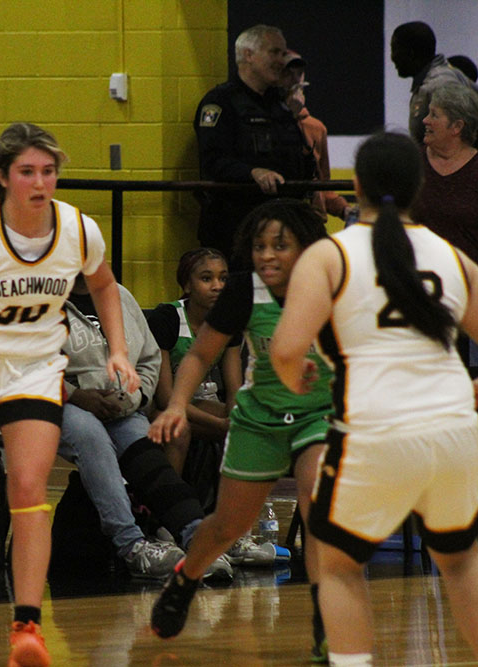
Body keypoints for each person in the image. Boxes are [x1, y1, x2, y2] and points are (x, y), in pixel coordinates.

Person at [270, 132, 478, 667]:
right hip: (454, 432)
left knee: (339, 565)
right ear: (420, 187)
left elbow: (287, 347)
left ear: (355, 185)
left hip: (373, 432)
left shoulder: (331, 254)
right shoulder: (452, 257)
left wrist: (297, 375)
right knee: (460, 561)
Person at [0, 122, 140, 667]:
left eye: (49, 171)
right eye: (27, 172)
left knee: (29, 485)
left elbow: (104, 285)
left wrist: (119, 350)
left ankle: (27, 627)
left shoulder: (79, 230)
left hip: (35, 370)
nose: (40, 182)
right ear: (1, 178)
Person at [148, 199, 328, 661]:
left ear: (305, 248)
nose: (266, 255)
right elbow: (198, 355)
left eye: (279, 246)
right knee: (228, 525)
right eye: (260, 246)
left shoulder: (334, 285)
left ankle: (327, 625)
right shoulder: (246, 290)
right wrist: (177, 405)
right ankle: (187, 578)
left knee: (320, 514)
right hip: (258, 419)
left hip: (317, 417)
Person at [58, 272, 235, 582]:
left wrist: (135, 396)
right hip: (63, 403)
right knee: (92, 437)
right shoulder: (42, 301)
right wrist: (78, 396)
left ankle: (196, 536)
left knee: (143, 443)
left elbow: (150, 358)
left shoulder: (120, 296)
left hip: (122, 405)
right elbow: (27, 365)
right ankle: (132, 545)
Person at [410, 83, 478, 363]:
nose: (425, 120)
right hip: (421, 296)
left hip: (470, 296)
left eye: (434, 115)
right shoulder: (412, 165)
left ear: (457, 126)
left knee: (471, 377)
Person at [194, 24, 316, 265]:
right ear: (248, 55)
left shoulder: (280, 105)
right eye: (274, 52)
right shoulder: (221, 103)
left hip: (282, 224)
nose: (281, 61)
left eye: (283, 54)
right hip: (236, 228)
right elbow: (212, 161)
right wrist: (253, 173)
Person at [147, 247, 241, 476]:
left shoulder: (229, 320)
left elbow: (234, 389)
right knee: (178, 429)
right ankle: (167, 503)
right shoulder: (166, 318)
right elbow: (165, 398)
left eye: (223, 278)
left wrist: (237, 419)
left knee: (251, 428)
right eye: (207, 279)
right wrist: (218, 424)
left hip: (198, 401)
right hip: (156, 407)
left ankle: (227, 505)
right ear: (187, 285)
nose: (217, 286)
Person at [390, 21, 478, 156]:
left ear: (410, 53)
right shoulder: (449, 73)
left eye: (394, 49)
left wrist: (471, 167)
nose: (392, 57)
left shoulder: (439, 84)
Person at [277, 51, 353, 223]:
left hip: (311, 221)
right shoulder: (269, 124)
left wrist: (345, 210)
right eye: (288, 73)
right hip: (280, 216)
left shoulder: (315, 128)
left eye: (299, 73)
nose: (295, 79)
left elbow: (322, 185)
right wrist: (290, 116)